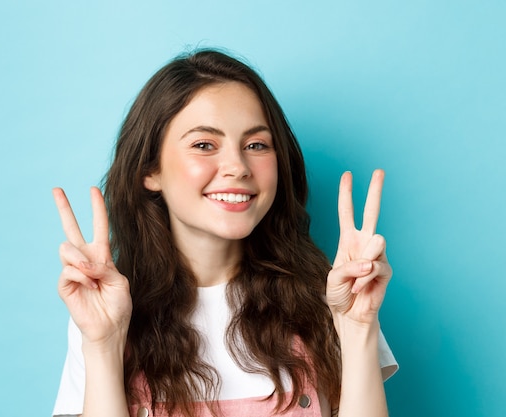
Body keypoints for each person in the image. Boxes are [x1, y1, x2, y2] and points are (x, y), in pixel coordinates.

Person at [51, 49, 398, 417]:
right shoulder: (106, 312)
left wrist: (357, 326)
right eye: (204, 145)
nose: (237, 166)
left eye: (256, 145)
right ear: (150, 169)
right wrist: (104, 344)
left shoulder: (332, 300)